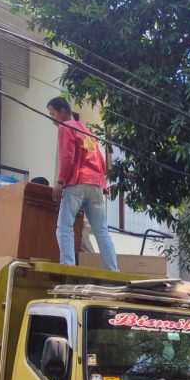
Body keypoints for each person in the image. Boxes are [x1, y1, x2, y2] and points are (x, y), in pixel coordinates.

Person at [45, 97, 119, 271]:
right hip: (95, 184)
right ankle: (112, 269)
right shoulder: (87, 131)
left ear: (62, 112)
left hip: (77, 182)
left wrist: (60, 181)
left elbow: (67, 157)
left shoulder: (65, 127)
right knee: (101, 231)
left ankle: (68, 266)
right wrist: (101, 183)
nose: (51, 118)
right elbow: (101, 160)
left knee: (64, 226)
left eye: (52, 113)